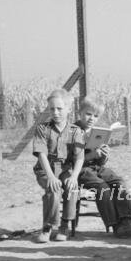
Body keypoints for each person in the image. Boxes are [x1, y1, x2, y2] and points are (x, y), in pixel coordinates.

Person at [76, 98, 131, 238]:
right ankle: (115, 225)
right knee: (102, 188)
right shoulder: (73, 131)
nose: (91, 118)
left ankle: (126, 222)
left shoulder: (97, 131)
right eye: (88, 114)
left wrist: (104, 155)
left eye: (96, 116)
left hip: (96, 167)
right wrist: (91, 155)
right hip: (80, 169)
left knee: (118, 182)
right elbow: (71, 159)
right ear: (80, 113)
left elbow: (100, 162)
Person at [32, 89, 85, 243]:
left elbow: (79, 157)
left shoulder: (75, 131)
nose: (55, 112)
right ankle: (47, 226)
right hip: (45, 168)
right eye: (52, 109)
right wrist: (50, 177)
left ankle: (64, 225)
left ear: (68, 109)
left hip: (66, 168)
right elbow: (41, 154)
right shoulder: (43, 129)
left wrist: (74, 176)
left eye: (59, 109)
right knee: (54, 189)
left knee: (72, 187)